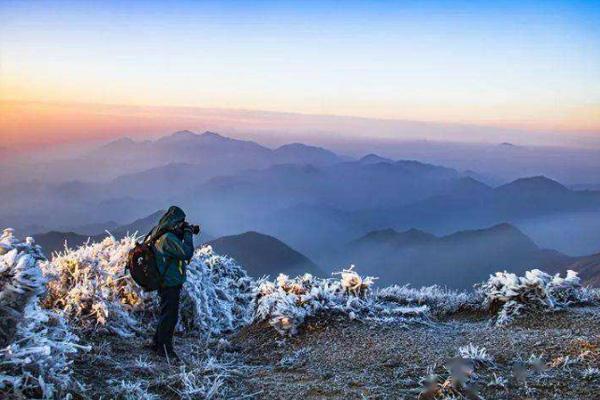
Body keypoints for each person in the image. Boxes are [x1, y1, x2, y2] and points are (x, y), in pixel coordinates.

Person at [146, 206, 195, 360]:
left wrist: (183, 232)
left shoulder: (162, 234)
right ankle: (165, 349)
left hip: (166, 281)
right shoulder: (167, 238)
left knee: (166, 313)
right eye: (181, 222)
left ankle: (156, 343)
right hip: (169, 283)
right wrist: (188, 234)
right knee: (170, 316)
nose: (182, 224)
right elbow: (187, 252)